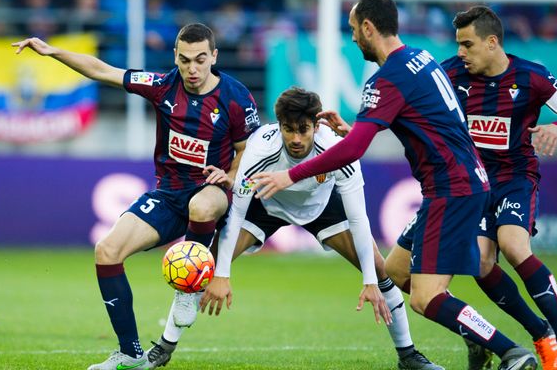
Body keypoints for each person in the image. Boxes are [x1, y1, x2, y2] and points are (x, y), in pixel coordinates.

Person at [251, 0, 538, 370]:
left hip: (453, 189)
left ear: (369, 28)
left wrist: (290, 173)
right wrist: (354, 130)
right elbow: (422, 122)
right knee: (397, 271)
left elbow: (353, 150)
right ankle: (481, 340)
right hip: (457, 184)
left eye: (354, 30)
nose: (353, 38)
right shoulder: (420, 58)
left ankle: (511, 352)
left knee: (426, 298)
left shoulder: (388, 78)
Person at [12, 23, 260, 370]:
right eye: (185, 60)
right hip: (168, 193)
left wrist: (230, 176)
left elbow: (248, 149)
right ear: (175, 56)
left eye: (200, 60)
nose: (192, 69)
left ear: (214, 57)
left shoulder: (235, 97)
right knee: (107, 250)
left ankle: (187, 290)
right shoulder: (162, 86)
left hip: (213, 191)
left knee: (201, 204)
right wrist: (54, 52)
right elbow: (102, 70)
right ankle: (130, 353)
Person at [160, 86, 441, 370]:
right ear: (279, 125)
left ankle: (408, 356)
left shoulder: (338, 150)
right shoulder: (260, 148)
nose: (296, 139)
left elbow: (358, 219)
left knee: (380, 270)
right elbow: (237, 212)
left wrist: (369, 281)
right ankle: (163, 348)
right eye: (288, 129)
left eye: (303, 130)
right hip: (267, 202)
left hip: (321, 207)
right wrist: (221, 274)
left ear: (316, 126)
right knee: (204, 266)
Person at [442, 5, 557, 370]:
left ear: (492, 42)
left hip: (515, 178)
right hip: (474, 183)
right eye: (458, 45)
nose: (460, 53)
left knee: (513, 246)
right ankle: (540, 333)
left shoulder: (531, 77)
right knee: (480, 263)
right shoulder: (450, 73)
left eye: (467, 45)